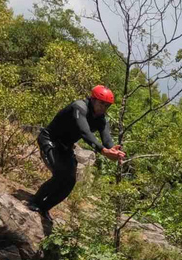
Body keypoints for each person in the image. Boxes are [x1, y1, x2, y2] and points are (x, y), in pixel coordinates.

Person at [29, 85, 125, 220]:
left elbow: (107, 139)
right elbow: (84, 133)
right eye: (102, 103)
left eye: (107, 106)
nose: (104, 108)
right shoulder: (79, 107)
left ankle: (45, 208)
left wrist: (115, 152)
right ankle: (35, 201)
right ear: (93, 99)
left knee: (70, 181)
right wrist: (103, 151)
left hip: (65, 147)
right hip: (49, 140)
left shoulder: (101, 119)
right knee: (60, 174)